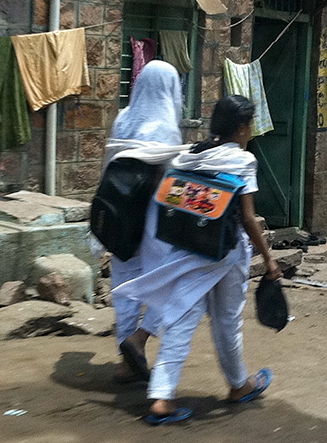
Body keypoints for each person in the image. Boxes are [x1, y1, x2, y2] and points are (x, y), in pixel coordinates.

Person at [112, 94, 281, 425]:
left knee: (181, 318)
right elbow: (248, 219)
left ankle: (162, 397)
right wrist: (269, 260)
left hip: (188, 251)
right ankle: (238, 385)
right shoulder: (242, 162)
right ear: (243, 128)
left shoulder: (189, 156)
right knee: (228, 321)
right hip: (227, 253)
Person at [101, 60, 185, 383]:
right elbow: (170, 180)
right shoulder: (165, 126)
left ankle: (126, 361)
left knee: (124, 285)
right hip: (153, 218)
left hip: (120, 211)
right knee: (170, 281)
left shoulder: (124, 118)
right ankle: (141, 338)